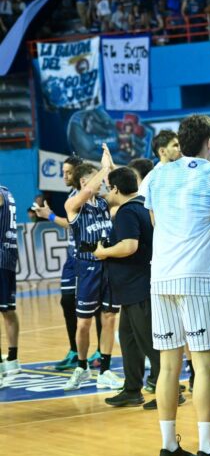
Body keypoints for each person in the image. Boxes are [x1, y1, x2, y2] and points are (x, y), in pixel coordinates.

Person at [144, 114, 210, 456]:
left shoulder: (155, 175)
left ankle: (169, 448)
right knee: (203, 365)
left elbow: (156, 221)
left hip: (160, 278)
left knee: (168, 366)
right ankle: (206, 449)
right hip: (196, 279)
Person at [94, 166, 160, 408]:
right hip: (133, 289)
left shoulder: (127, 212)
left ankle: (170, 392)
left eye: (107, 187)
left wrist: (103, 252)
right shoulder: (143, 205)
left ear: (115, 188)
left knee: (150, 343)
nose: (105, 193)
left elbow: (129, 246)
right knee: (130, 341)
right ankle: (132, 389)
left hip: (138, 286)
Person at [34, 157, 103, 372]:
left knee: (97, 306)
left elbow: (71, 224)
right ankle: (74, 351)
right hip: (72, 257)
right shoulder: (72, 195)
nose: (64, 176)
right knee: (66, 301)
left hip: (88, 258)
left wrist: (50, 216)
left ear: (80, 176)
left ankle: (100, 350)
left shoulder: (88, 197)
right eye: (63, 172)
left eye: (68, 172)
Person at [63, 154, 122, 391]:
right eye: (91, 181)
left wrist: (111, 167)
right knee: (84, 323)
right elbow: (87, 193)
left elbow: (123, 189)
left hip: (108, 266)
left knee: (109, 318)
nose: (97, 184)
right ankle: (81, 366)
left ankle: (105, 370)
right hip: (87, 268)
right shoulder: (72, 204)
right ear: (82, 183)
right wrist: (103, 167)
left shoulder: (105, 203)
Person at [0, 184, 19, 377]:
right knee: (8, 310)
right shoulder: (8, 191)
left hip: (1, 257)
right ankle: (12, 359)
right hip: (8, 256)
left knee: (8, 310)